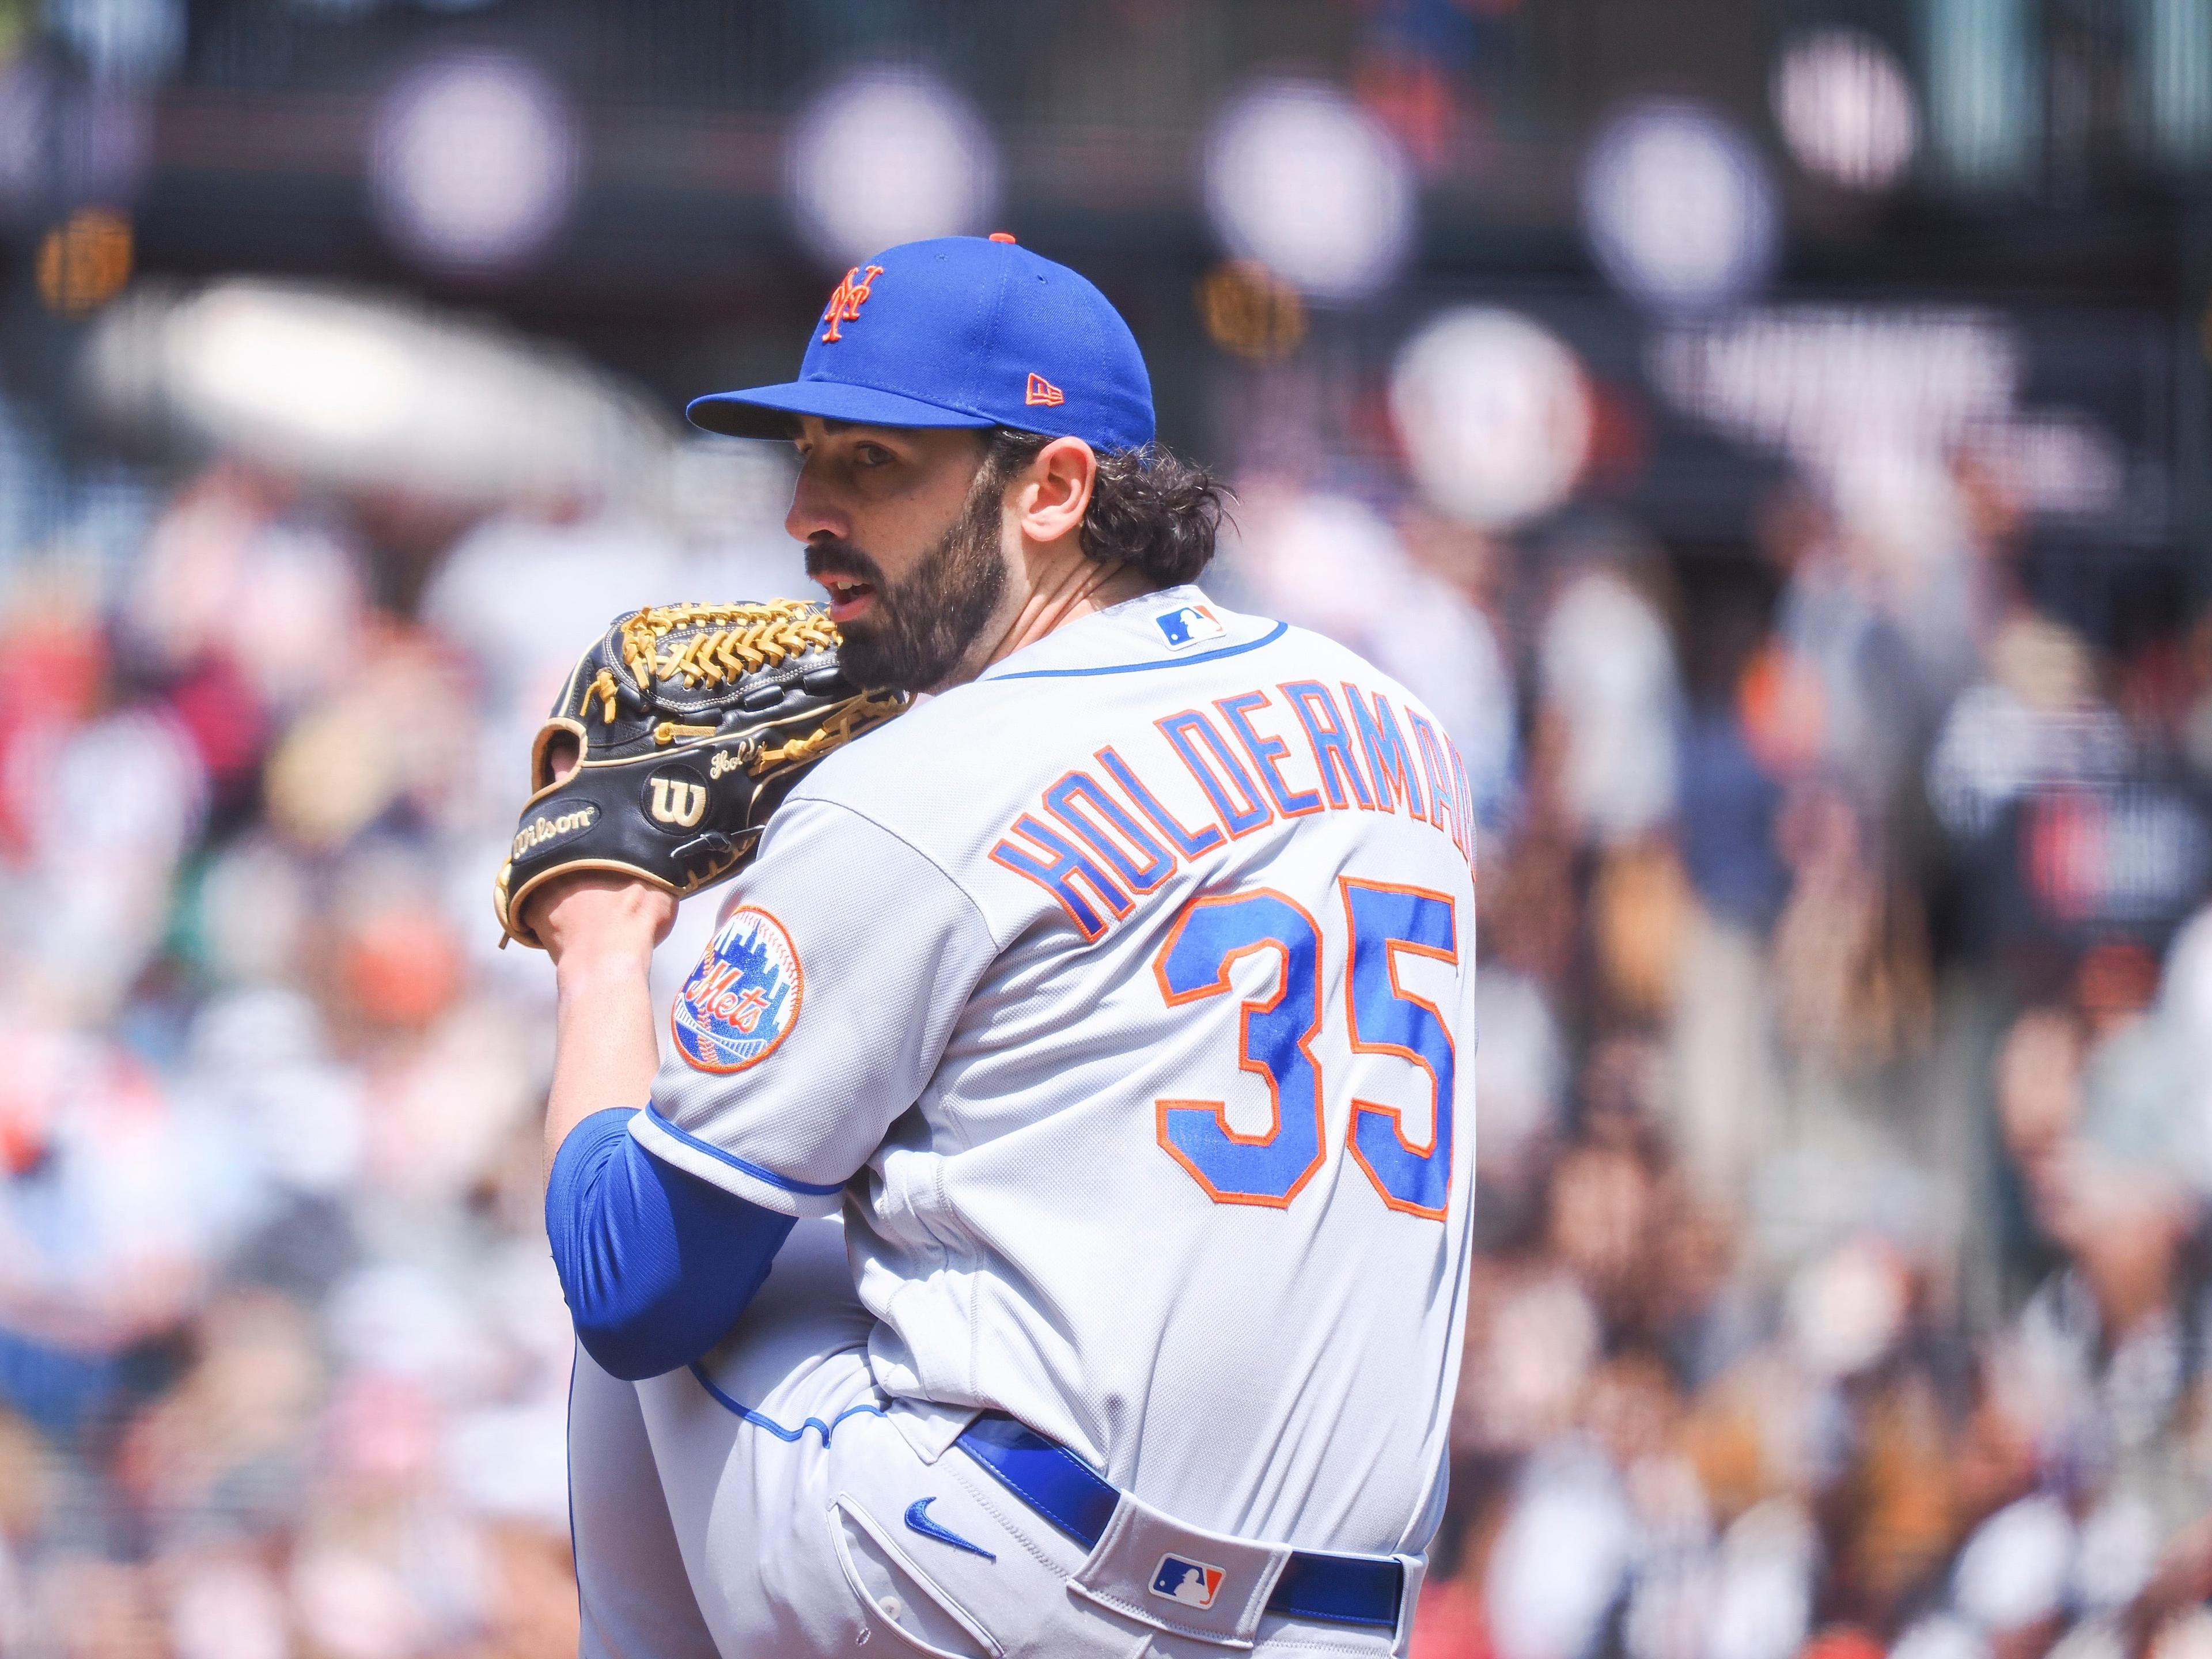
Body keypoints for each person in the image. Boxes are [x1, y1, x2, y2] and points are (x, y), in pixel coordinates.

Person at [528, 234, 1480, 1658]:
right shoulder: (1400, 731)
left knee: (670, 1265)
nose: (805, 511)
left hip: (999, 1592)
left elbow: (633, 1287)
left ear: (1053, 487)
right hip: (1339, 1618)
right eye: (809, 456)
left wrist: (604, 949)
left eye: (873, 464)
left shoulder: (918, 787)